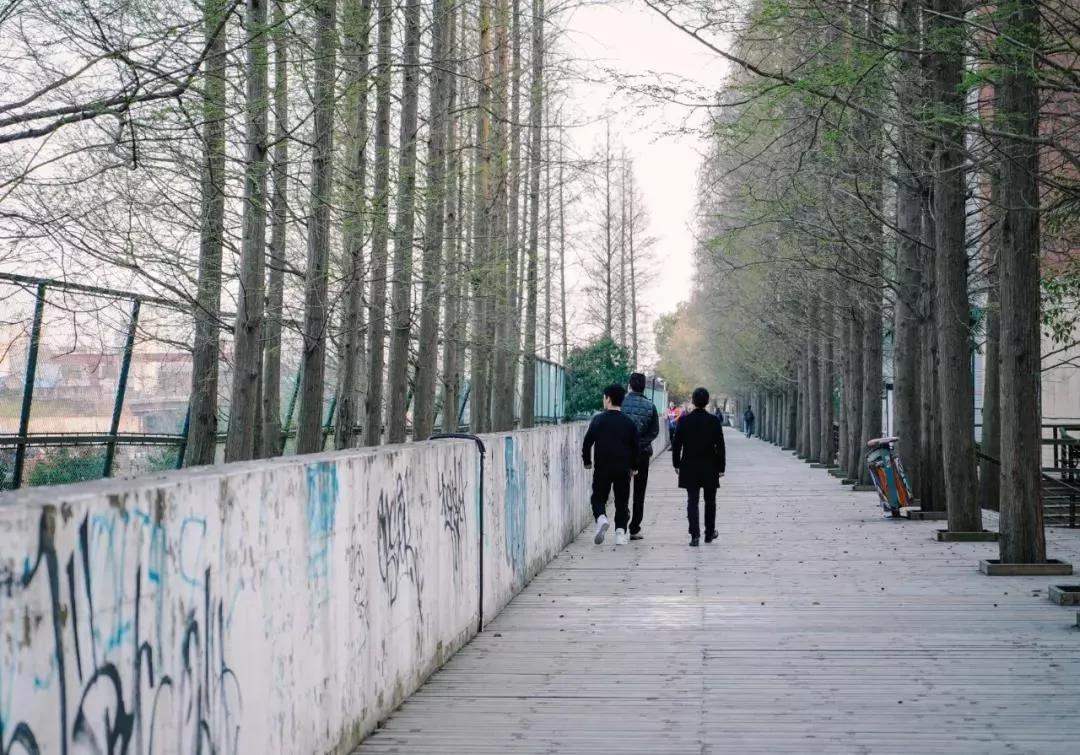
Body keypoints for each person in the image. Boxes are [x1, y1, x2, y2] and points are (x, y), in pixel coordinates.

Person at [582, 384, 641, 546]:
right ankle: (620, 533)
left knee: (598, 497)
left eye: (604, 397)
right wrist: (634, 467)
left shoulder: (598, 420)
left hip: (603, 466)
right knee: (622, 500)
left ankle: (601, 518)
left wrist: (587, 461)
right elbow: (636, 447)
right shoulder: (629, 422)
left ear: (608, 399)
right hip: (623, 468)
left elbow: (587, 443)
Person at [672, 387, 727, 547]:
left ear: (693, 401)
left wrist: (676, 464)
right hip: (710, 465)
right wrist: (721, 467)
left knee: (692, 500)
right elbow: (720, 446)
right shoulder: (714, 421)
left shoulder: (683, 421)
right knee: (710, 500)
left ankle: (694, 535)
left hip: (689, 465)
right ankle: (709, 533)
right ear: (707, 401)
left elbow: (677, 445)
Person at [621, 373, 660, 540]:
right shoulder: (650, 406)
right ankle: (635, 528)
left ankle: (621, 523)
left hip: (623, 453)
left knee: (622, 489)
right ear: (644, 386)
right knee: (639, 491)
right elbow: (654, 431)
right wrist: (640, 443)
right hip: (643, 454)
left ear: (630, 385)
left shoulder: (620, 403)